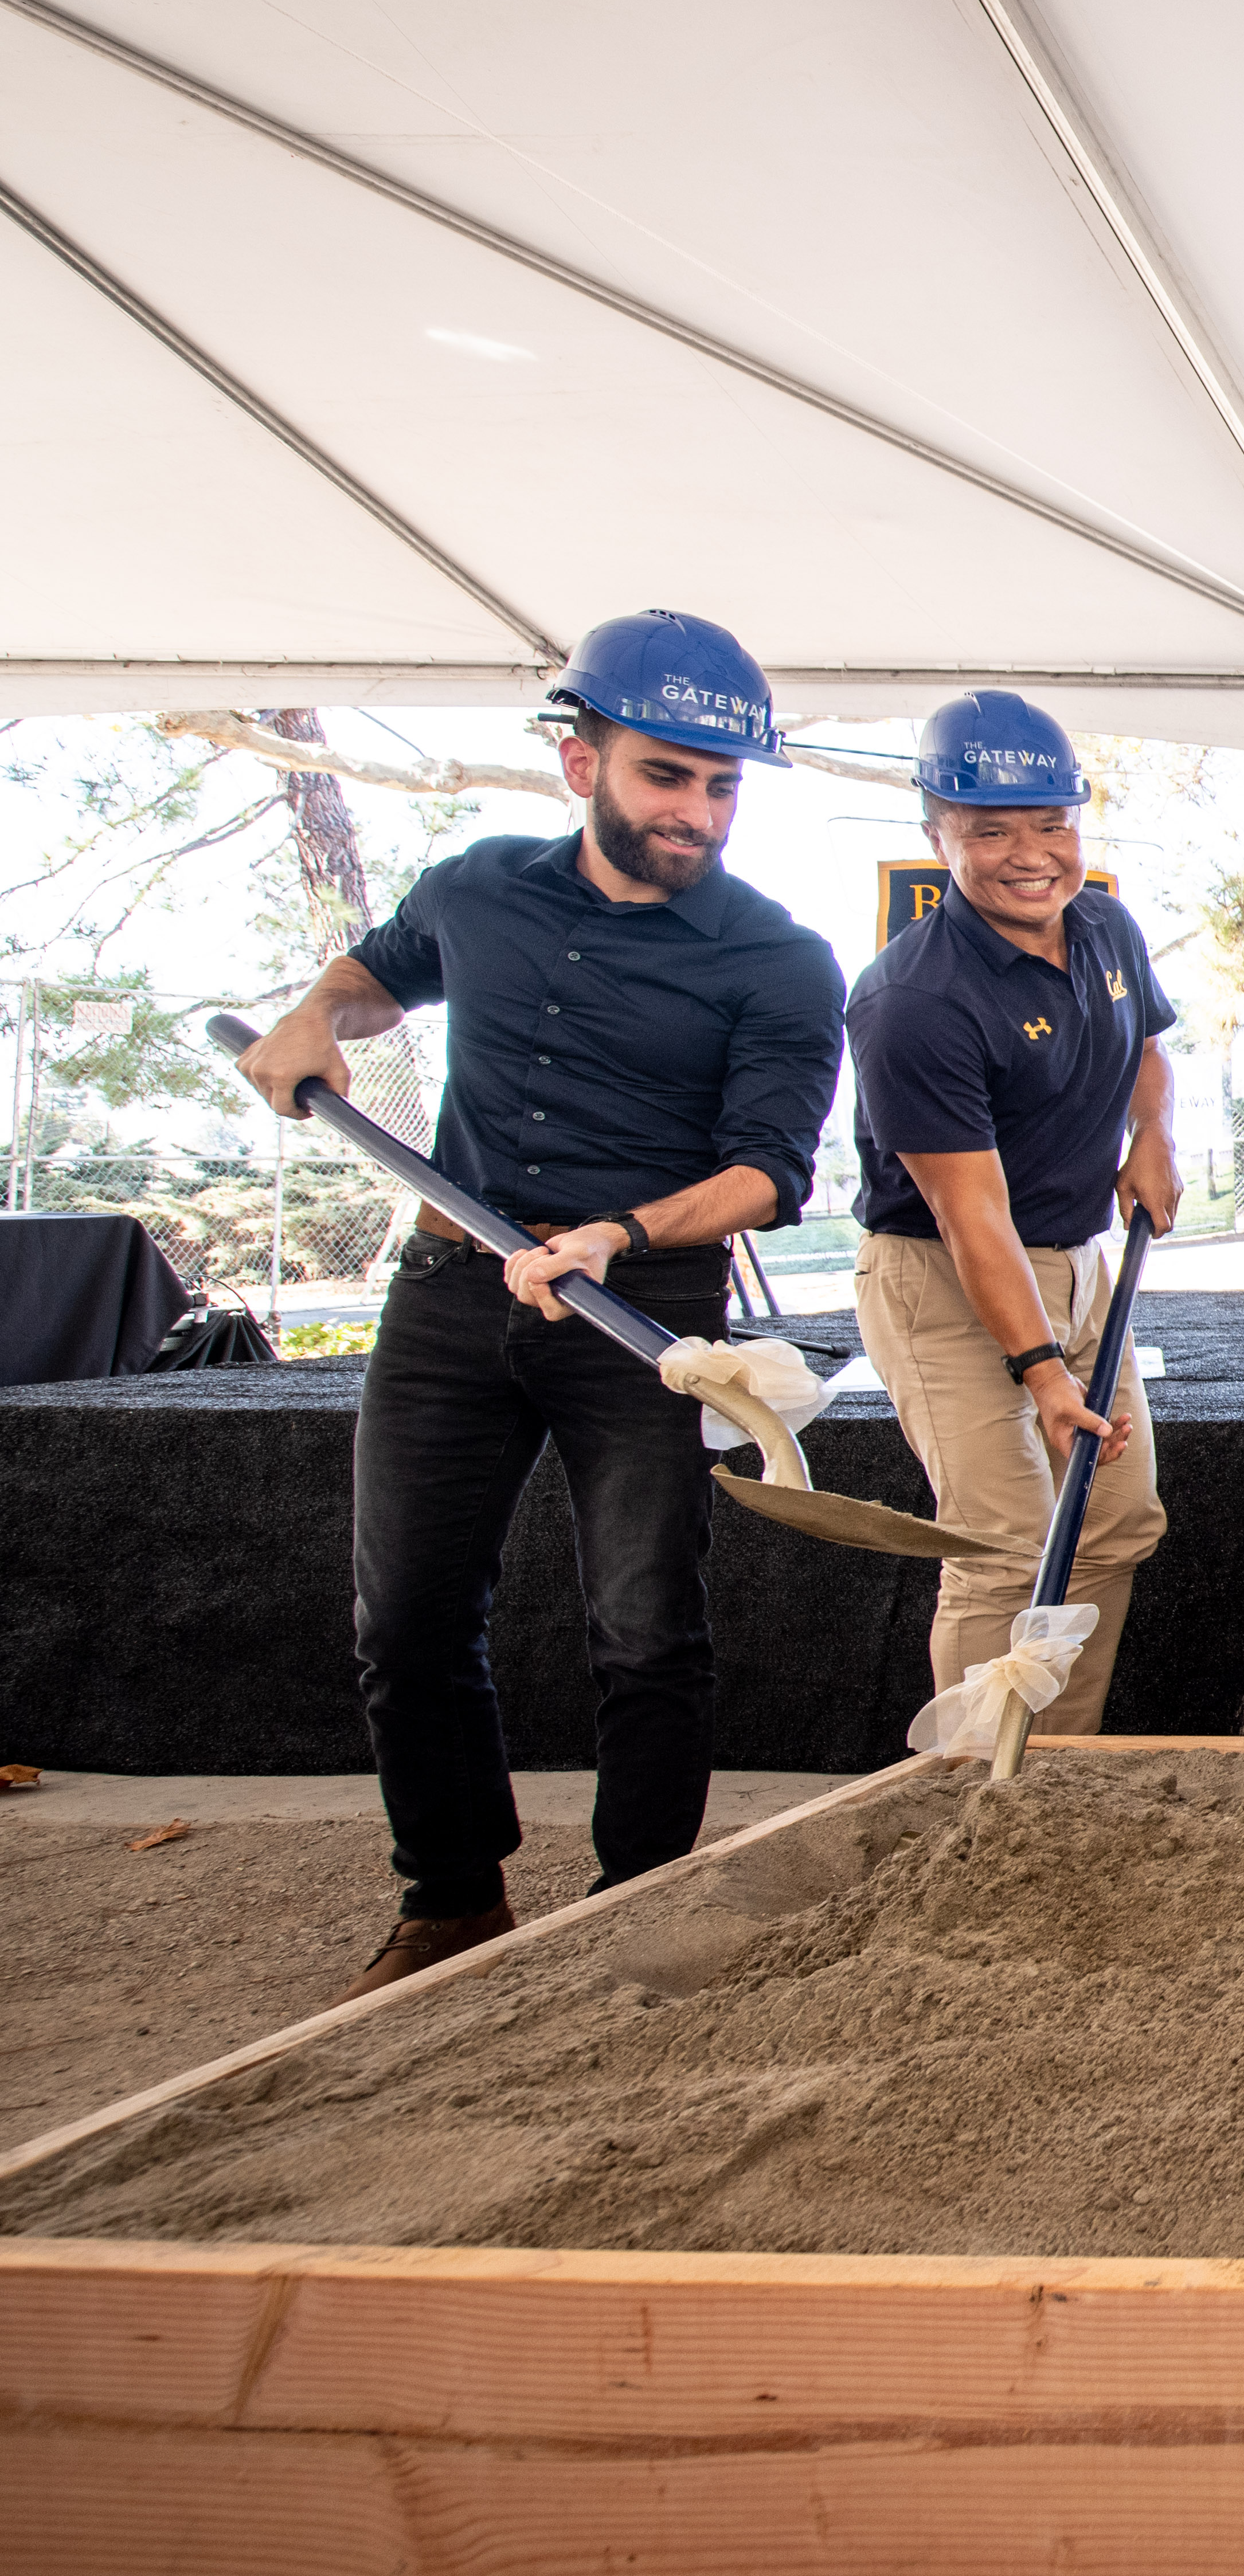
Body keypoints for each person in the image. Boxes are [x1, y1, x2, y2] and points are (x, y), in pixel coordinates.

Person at [235, 609, 842, 1997]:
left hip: (645, 1315)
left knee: (645, 1622)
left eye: (721, 786)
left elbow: (766, 1171)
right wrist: (317, 1014)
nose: (697, 813)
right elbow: (376, 975)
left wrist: (613, 1234)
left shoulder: (778, 957)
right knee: (407, 1618)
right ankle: (451, 1899)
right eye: (666, 777)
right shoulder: (478, 888)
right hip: (450, 1300)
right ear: (583, 767)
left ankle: (639, 1901)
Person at [841, 693, 1179, 1736]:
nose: (1031, 855)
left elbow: (1147, 1047)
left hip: (1076, 1259)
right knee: (1006, 1539)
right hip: (944, 1280)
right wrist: (1042, 1372)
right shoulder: (913, 1000)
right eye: (991, 830)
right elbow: (969, 1215)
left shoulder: (1106, 926)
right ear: (935, 831)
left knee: (1115, 1520)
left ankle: (1053, 1769)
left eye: (1051, 824)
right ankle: (974, 1795)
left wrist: (1150, 1139)